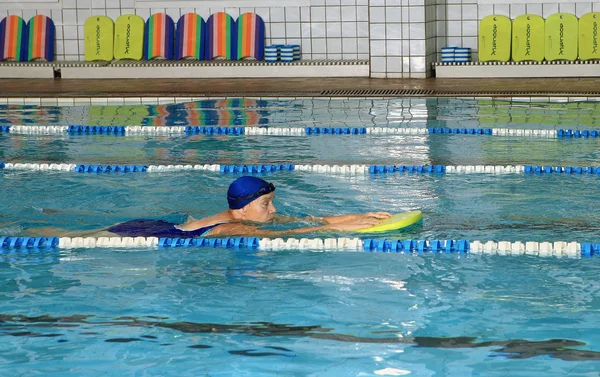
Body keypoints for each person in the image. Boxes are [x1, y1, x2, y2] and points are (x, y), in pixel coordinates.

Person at [101, 176, 392, 238]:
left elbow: (307, 218)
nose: (274, 210)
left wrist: (359, 215)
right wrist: (341, 229)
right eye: (266, 204)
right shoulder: (232, 226)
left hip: (163, 225)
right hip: (139, 235)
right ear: (242, 210)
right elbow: (286, 234)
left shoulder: (246, 216)